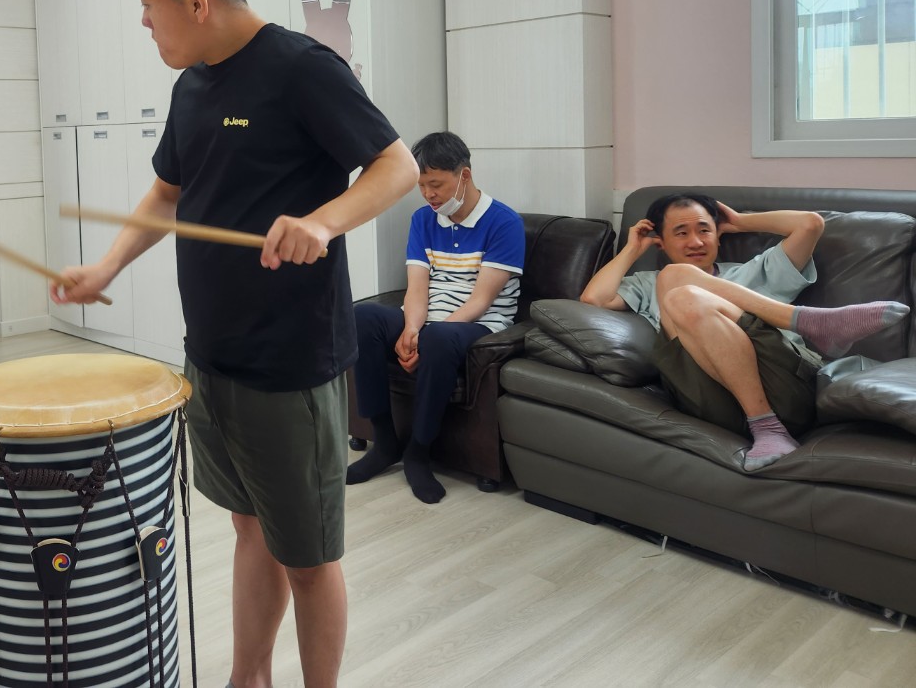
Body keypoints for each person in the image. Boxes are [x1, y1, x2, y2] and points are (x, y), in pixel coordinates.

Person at [50, 0, 419, 688]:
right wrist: (107, 268)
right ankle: (248, 677)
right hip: (210, 358)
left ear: (194, 2)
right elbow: (165, 195)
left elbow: (398, 166)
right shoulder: (192, 86)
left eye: (146, 2)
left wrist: (323, 221)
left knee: (309, 558)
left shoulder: (301, 68)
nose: (142, 20)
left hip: (289, 366)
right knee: (251, 528)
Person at [580, 192, 909, 471]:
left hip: (784, 388)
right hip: (707, 397)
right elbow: (594, 299)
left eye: (704, 230)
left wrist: (740, 221)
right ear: (661, 243)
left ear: (718, 234)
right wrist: (632, 249)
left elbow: (810, 224)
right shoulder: (646, 283)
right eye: (681, 233)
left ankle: (767, 423)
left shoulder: (755, 271)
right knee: (676, 283)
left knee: (677, 285)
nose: (696, 241)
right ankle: (809, 322)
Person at [346, 131, 524, 503]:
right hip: (429, 320)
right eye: (421, 185)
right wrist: (411, 329)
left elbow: (481, 301)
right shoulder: (423, 220)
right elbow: (417, 287)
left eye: (436, 184)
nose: (429, 194)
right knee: (362, 317)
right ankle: (385, 442)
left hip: (479, 324)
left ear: (464, 175)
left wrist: (426, 337)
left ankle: (418, 452)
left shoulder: (504, 222)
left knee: (439, 338)